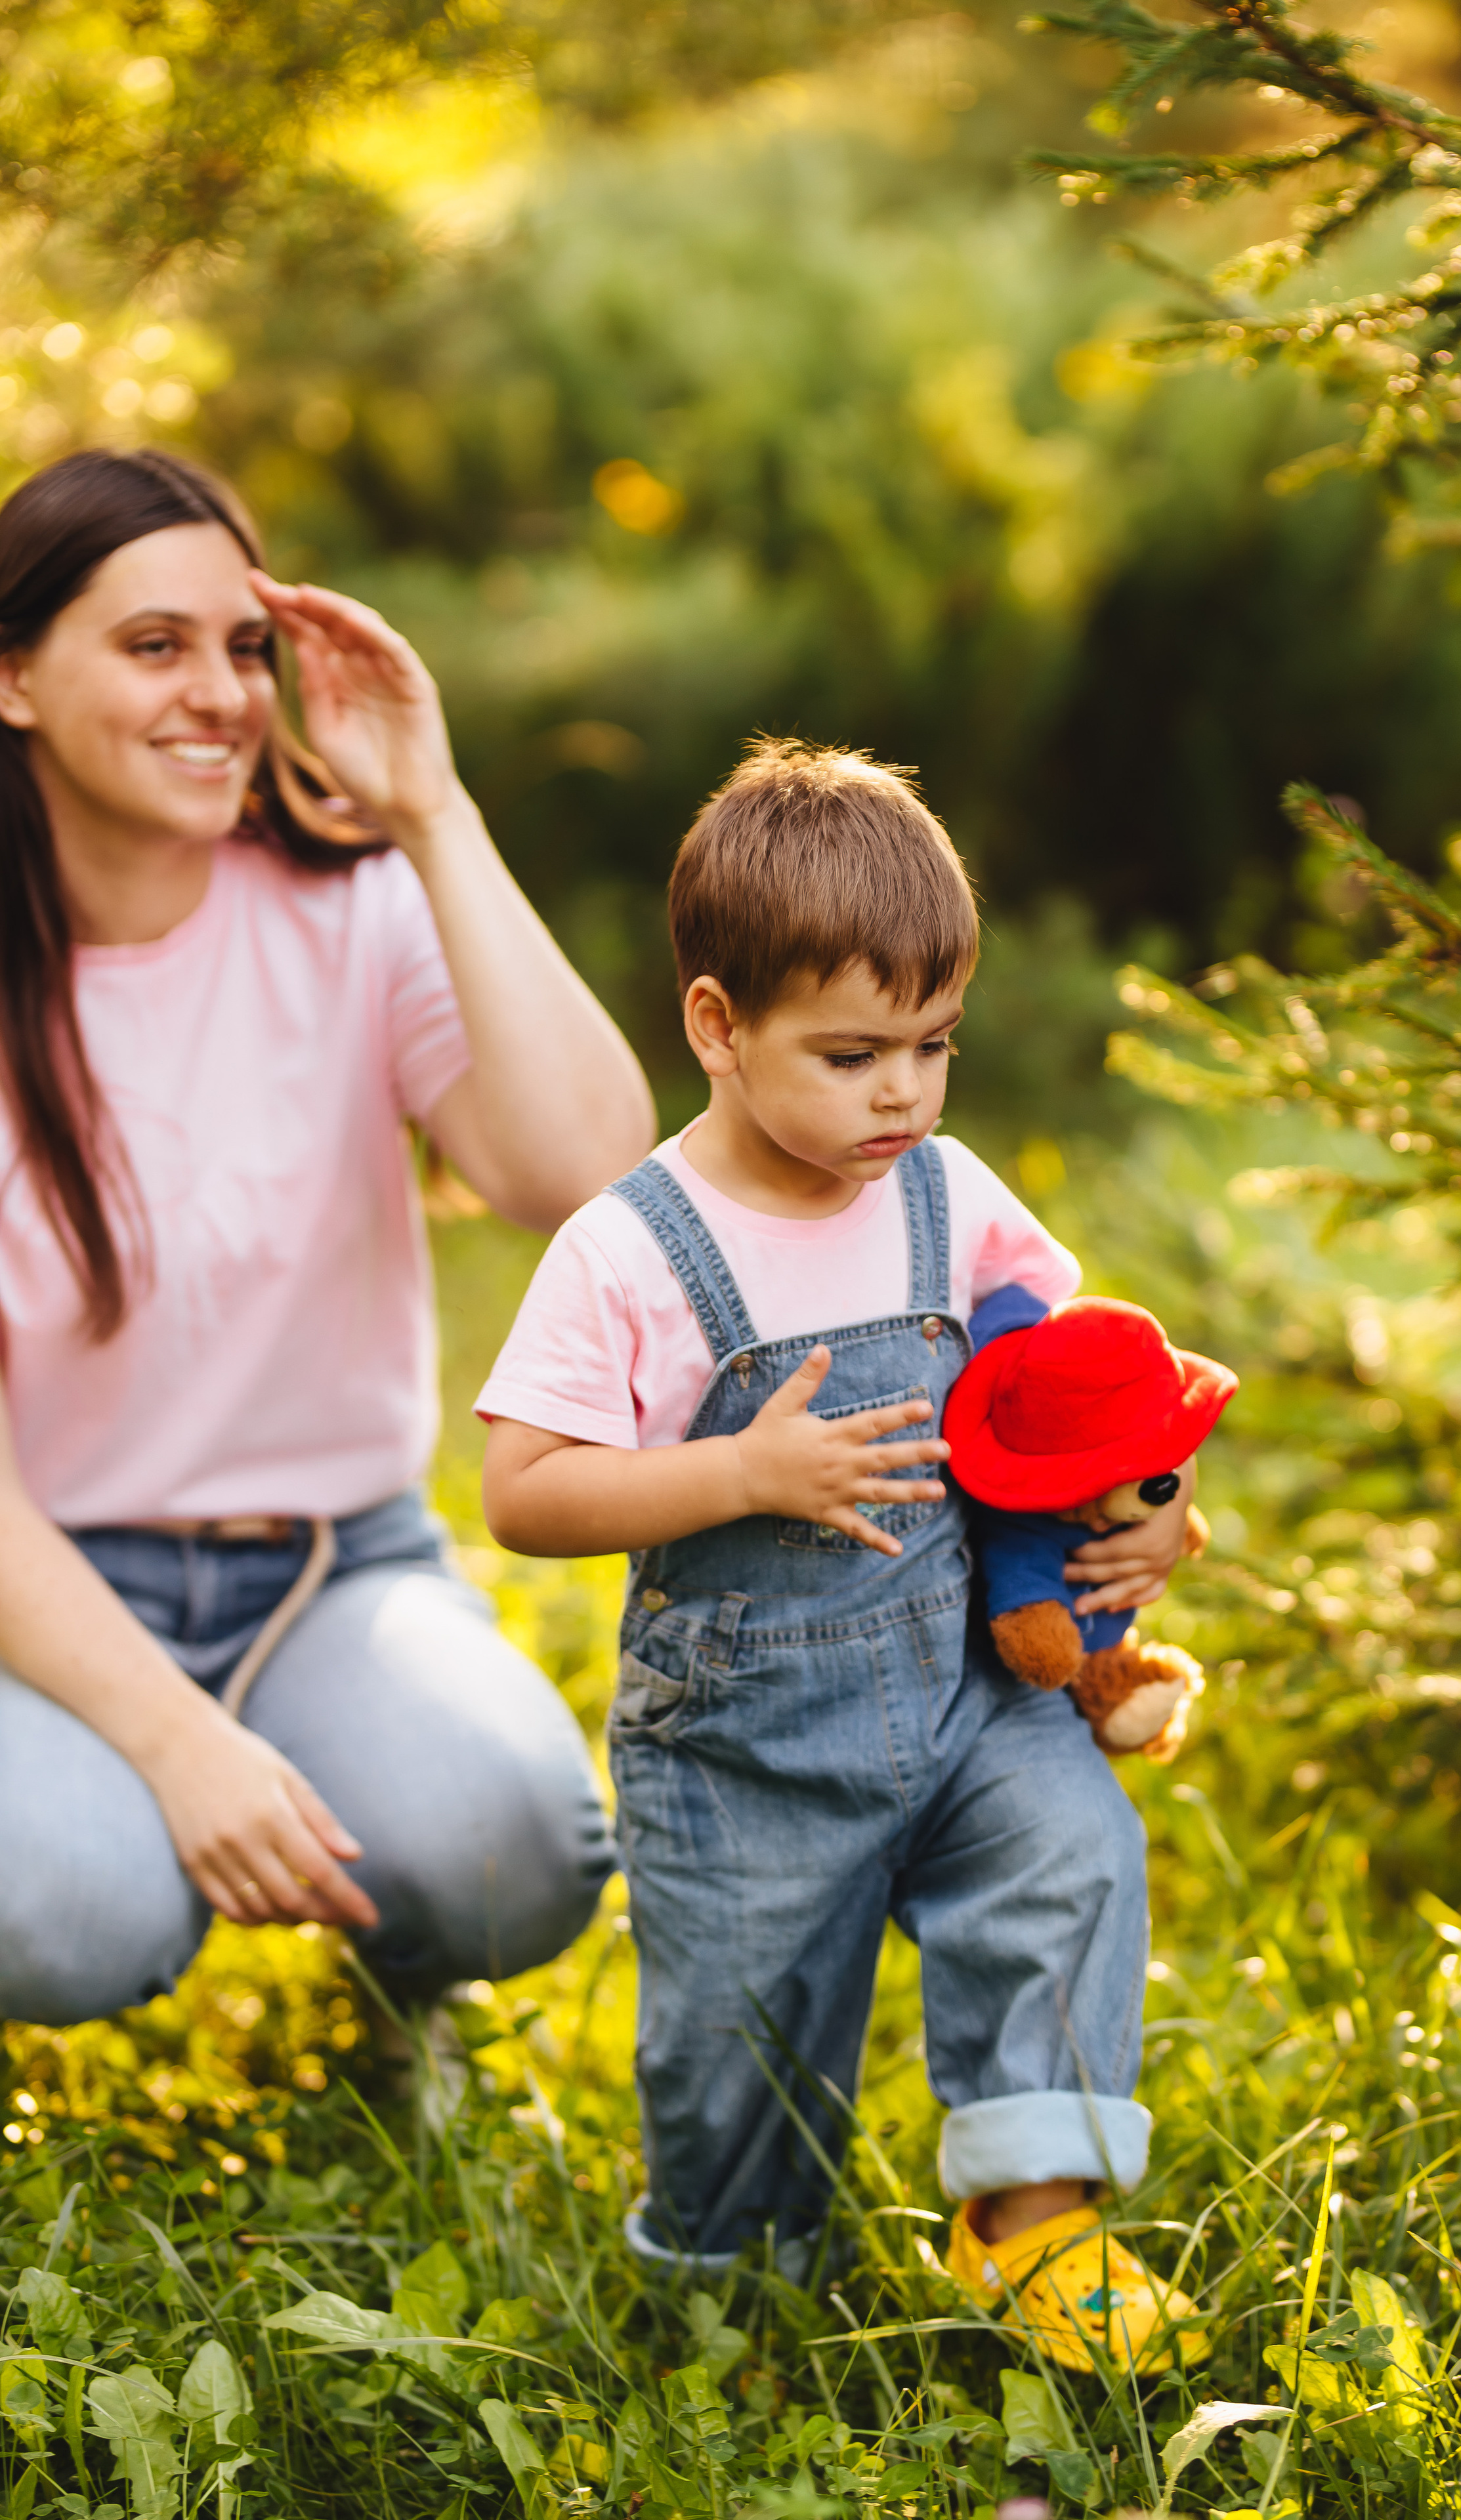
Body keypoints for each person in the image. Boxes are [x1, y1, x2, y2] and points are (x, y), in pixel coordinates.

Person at [480, 738, 1204, 2371]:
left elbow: (1071, 1392)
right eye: (855, 1052)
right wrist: (735, 1469)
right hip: (744, 1755)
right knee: (740, 2050)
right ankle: (725, 2281)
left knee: (1069, 1855)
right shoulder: (633, 1251)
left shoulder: (948, 1199)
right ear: (718, 1029)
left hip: (964, 1694)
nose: (902, 1095)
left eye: (934, 1047)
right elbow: (520, 1493)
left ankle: (1037, 2223)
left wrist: (1147, 1506)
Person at [0, 446, 654, 2028]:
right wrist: (173, 1743)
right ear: (14, 676)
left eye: (244, 647)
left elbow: (583, 1168)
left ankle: (395, 2002)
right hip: (41, 1600)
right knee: (68, 1912)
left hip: (332, 1574)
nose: (219, 692)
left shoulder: (351, 907)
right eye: (154, 645)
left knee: (511, 1853)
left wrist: (431, 813)